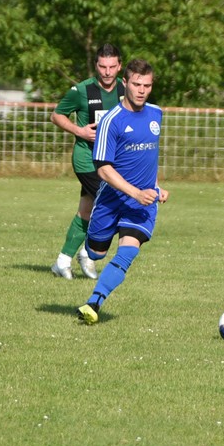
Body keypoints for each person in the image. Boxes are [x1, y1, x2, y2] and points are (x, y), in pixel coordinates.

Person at [77, 58, 169, 324]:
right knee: (96, 253)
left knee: (127, 253)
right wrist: (135, 192)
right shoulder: (111, 121)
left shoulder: (156, 114)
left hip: (142, 204)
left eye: (147, 86)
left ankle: (94, 303)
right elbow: (103, 169)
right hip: (111, 201)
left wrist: (154, 187)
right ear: (125, 83)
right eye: (137, 84)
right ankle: (88, 250)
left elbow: (149, 158)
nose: (142, 90)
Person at [49, 44, 124, 280]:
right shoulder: (82, 90)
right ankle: (88, 253)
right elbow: (56, 115)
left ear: (119, 66)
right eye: (102, 66)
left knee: (87, 210)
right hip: (87, 161)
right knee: (116, 205)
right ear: (96, 66)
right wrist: (79, 131)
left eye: (112, 67)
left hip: (111, 162)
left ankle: (62, 262)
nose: (107, 72)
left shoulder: (126, 89)